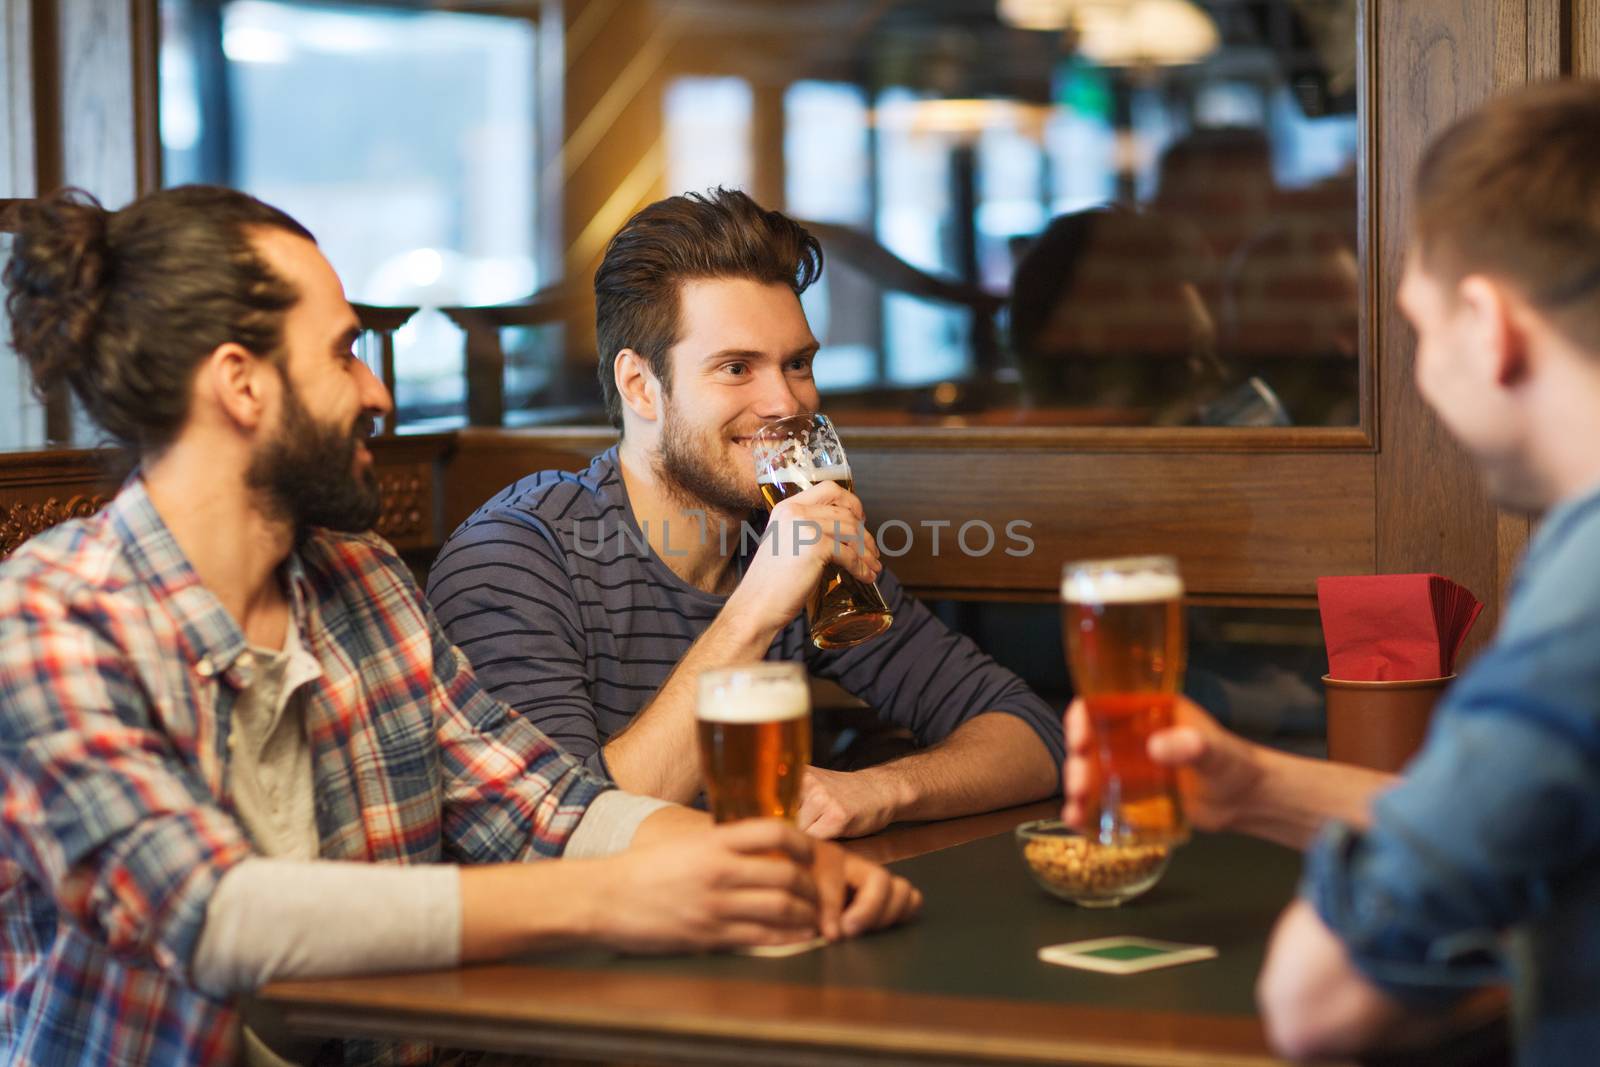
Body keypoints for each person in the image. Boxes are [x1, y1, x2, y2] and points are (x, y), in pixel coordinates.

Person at [0, 186, 919, 1067]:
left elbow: (545, 811)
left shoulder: (364, 581)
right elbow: (213, 913)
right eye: (344, 352)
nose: (379, 392)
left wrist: (771, 864)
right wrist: (623, 896)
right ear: (240, 384)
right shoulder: (50, 617)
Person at [1064, 80, 1600, 1065]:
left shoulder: (1585, 598)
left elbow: (1319, 999)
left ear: (1489, 325)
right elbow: (1521, 819)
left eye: (1415, 325)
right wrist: (1259, 786)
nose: (1417, 369)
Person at [426, 189, 1062, 840]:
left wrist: (881, 789)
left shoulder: (791, 535)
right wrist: (756, 610)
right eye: (736, 367)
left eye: (798, 363)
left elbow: (1032, 735)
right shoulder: (515, 559)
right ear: (640, 386)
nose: (785, 401)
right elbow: (558, 838)